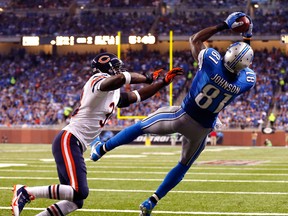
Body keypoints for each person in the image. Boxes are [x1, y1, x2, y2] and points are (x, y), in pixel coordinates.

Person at [90, 12, 256, 216]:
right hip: (203, 130)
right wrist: (247, 36)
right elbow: (245, 63)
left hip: (181, 116)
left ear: (227, 54)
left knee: (140, 127)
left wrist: (224, 25)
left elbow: (195, 39)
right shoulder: (246, 80)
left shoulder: (212, 61)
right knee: (183, 165)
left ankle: (101, 150)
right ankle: (152, 201)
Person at [11, 52, 183, 216]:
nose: (119, 71)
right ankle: (25, 192)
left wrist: (162, 83)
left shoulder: (112, 92)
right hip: (69, 139)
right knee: (80, 191)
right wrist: (147, 78)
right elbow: (121, 78)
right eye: (115, 68)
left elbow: (136, 96)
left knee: (75, 201)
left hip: (76, 143)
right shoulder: (96, 81)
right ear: (106, 68)